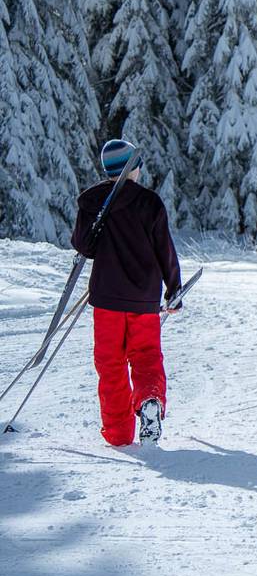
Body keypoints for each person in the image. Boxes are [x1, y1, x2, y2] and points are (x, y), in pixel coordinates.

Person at [72, 139, 183, 446]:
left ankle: (119, 434)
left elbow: (83, 246)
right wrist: (174, 290)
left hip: (106, 297)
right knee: (145, 356)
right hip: (143, 298)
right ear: (133, 169)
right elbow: (166, 251)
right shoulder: (149, 203)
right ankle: (149, 401)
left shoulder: (92, 201)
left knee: (110, 364)